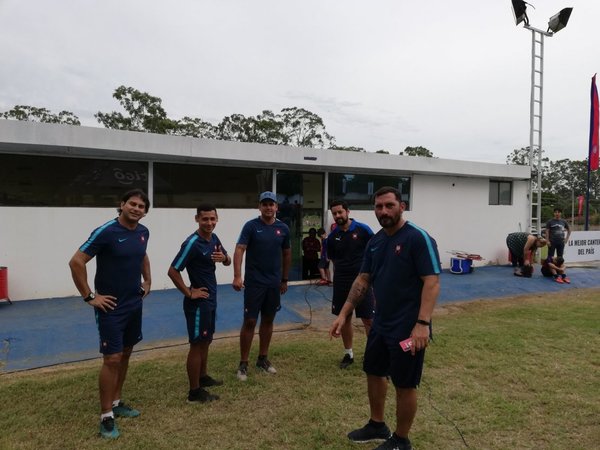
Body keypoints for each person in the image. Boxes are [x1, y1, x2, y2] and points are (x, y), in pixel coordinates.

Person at [329, 186, 441, 450]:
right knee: (373, 371)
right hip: (381, 323)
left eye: (389, 205)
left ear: (401, 206)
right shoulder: (377, 241)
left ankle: (401, 440)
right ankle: (377, 424)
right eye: (379, 207)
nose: (384, 211)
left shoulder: (418, 238)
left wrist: (422, 324)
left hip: (408, 327)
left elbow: (432, 282)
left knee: (404, 382)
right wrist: (344, 314)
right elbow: (363, 279)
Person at [68, 189, 151, 439]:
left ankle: (116, 403)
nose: (136, 209)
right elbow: (76, 261)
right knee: (112, 358)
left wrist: (147, 280)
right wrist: (90, 296)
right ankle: (106, 416)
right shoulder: (106, 231)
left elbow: (142, 254)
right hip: (111, 306)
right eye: (132, 204)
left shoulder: (143, 232)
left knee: (125, 353)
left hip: (133, 304)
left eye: (141, 206)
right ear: (122, 205)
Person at [167, 204, 231, 403]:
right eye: (205, 219)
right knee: (196, 344)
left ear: (217, 218)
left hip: (211, 300)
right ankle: (194, 392)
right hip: (198, 303)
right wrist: (189, 292)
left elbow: (227, 260)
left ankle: (202, 377)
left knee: (207, 340)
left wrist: (225, 258)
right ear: (197, 219)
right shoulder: (192, 243)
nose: (209, 223)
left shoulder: (214, 238)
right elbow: (173, 270)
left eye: (213, 219)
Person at [232, 191, 291, 381]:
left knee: (268, 320)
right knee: (250, 321)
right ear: (259, 207)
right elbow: (240, 249)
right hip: (254, 283)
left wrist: (284, 279)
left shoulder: (283, 228)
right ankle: (243, 363)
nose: (268, 207)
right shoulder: (251, 226)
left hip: (273, 284)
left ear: (276, 207)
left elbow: (287, 254)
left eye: (271, 204)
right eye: (264, 204)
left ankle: (263, 359)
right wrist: (237, 276)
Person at [327, 200, 375, 369]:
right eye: (334, 213)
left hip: (363, 282)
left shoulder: (364, 230)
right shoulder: (332, 237)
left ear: (347, 211)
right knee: (344, 319)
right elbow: (331, 258)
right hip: (341, 282)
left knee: (368, 318)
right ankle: (349, 353)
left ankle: (373, 354)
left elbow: (376, 250)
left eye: (340, 212)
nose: (338, 216)